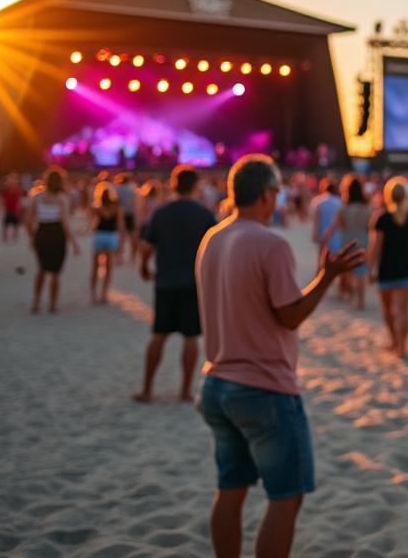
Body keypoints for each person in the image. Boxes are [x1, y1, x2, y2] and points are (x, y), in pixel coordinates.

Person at [195, 154, 364, 558]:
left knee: (230, 492)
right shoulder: (270, 244)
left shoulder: (213, 238)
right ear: (268, 193)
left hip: (217, 383)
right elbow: (289, 315)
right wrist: (326, 278)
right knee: (286, 497)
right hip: (263, 388)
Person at [136, 165, 218, 403]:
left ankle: (147, 389)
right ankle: (184, 391)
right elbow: (213, 251)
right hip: (193, 282)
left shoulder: (161, 213)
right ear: (195, 185)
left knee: (158, 334)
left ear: (173, 184)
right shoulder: (204, 214)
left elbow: (147, 246)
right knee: (191, 336)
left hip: (166, 281)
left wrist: (143, 266)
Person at [368, 177, 408, 357]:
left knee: (388, 310)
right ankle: (403, 346)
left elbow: (376, 247)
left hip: (387, 270)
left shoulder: (382, 218)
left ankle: (394, 340)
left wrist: (371, 268)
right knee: (404, 311)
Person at [26, 167, 79, 314]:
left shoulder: (37, 197)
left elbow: (28, 221)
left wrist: (32, 237)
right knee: (56, 272)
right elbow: (65, 223)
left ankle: (36, 303)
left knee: (42, 269)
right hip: (57, 234)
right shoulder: (62, 198)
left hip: (41, 233)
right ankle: (52, 304)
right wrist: (74, 243)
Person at [319, 174, 371, 310]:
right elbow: (369, 227)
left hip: (347, 240)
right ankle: (361, 301)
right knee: (361, 273)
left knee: (346, 271)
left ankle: (348, 295)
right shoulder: (367, 208)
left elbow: (339, 225)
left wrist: (325, 238)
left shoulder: (343, 208)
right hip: (363, 240)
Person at [88, 182, 123, 305]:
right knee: (108, 268)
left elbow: (92, 224)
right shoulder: (116, 208)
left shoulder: (97, 207)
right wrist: (120, 245)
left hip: (99, 235)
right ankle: (104, 294)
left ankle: (93, 294)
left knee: (95, 266)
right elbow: (120, 226)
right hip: (111, 236)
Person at [0, 174, 23, 243]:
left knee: (13, 224)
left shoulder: (17, 191)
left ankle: (14, 236)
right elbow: (2, 200)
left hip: (14, 211)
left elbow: (19, 200)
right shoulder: (5, 191)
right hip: (9, 210)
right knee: (6, 224)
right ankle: (6, 237)